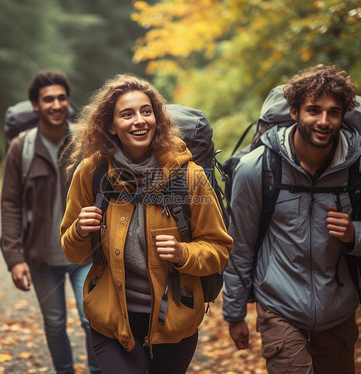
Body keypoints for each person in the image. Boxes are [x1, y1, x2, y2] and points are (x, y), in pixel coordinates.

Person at [222, 65, 361, 373]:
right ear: (294, 112)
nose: (324, 121)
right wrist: (235, 313)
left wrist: (354, 235)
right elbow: (240, 245)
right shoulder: (257, 169)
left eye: (333, 112)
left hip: (339, 310)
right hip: (279, 307)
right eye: (314, 110)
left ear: (343, 115)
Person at [59, 74, 232, 374]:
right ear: (111, 126)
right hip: (111, 323)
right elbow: (73, 254)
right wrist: (78, 230)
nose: (140, 120)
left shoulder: (188, 176)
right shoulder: (92, 173)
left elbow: (219, 249)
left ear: (157, 119)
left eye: (146, 111)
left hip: (173, 324)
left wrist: (183, 254)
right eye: (127, 114)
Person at [0, 70, 100, 374]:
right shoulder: (22, 148)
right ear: (35, 105)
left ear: (67, 102)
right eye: (48, 99)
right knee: (55, 325)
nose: (56, 104)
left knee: (92, 320)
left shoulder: (87, 142)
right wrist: (14, 258)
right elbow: (10, 204)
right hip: (43, 257)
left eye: (61, 98)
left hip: (85, 253)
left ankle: (98, 371)